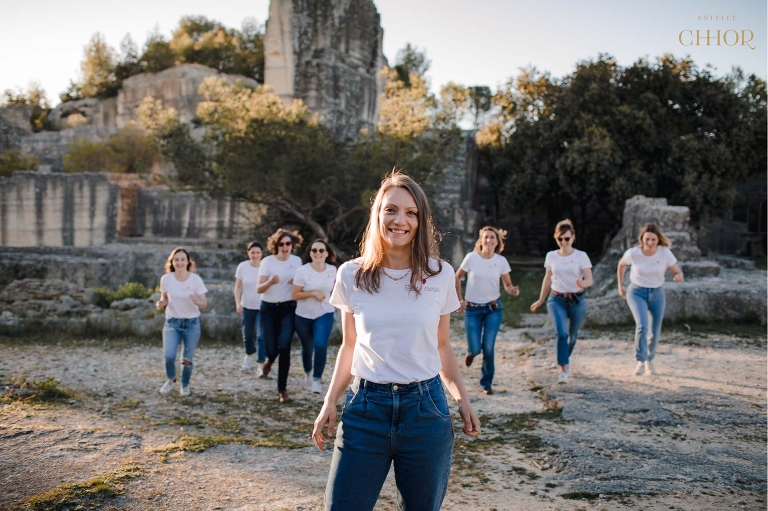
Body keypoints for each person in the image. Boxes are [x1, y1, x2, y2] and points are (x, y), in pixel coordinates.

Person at [312, 171, 481, 511]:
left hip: (426, 410)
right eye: (391, 210)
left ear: (420, 220)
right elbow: (350, 344)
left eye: (411, 212)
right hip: (365, 409)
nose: (400, 220)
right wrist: (330, 401)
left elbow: (443, 344)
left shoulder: (440, 274)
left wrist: (461, 398)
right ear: (378, 215)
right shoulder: (350, 274)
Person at [455, 226, 519, 395]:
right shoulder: (471, 258)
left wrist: (512, 290)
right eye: (486, 237)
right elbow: (457, 277)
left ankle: (486, 383)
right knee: (476, 348)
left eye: (492, 237)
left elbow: (507, 285)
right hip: (472, 310)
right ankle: (471, 353)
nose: (489, 240)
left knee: (488, 348)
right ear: (481, 240)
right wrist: (459, 300)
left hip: (493, 309)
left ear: (497, 242)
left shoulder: (501, 261)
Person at [530, 220, 593, 384]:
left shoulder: (581, 256)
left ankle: (564, 358)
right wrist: (540, 300)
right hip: (556, 299)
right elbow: (547, 278)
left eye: (567, 238)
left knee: (572, 336)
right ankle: (563, 369)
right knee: (562, 334)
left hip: (577, 299)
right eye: (560, 239)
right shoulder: (551, 256)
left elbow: (589, 279)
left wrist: (583, 283)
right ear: (556, 239)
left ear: (573, 237)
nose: (564, 242)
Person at [617, 223, 684, 376]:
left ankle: (649, 360)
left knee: (654, 330)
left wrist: (678, 276)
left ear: (658, 240)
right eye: (647, 239)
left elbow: (676, 270)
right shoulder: (633, 253)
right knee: (642, 325)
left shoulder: (664, 253)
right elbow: (621, 265)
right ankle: (640, 360)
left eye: (653, 240)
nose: (650, 243)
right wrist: (620, 286)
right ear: (642, 239)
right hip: (636, 292)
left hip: (657, 293)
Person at [257, 229, 303, 403]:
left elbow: (302, 285)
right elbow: (258, 288)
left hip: (288, 308)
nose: (285, 247)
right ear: (275, 245)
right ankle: (269, 360)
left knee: (284, 347)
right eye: (281, 244)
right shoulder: (267, 262)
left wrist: (297, 284)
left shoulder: (297, 261)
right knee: (272, 347)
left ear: (292, 245)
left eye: (288, 243)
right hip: (268, 308)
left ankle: (282, 390)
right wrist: (270, 282)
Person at [155, 247, 208, 397]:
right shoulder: (166, 279)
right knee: (169, 356)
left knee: (187, 359)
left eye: (182, 259)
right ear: (172, 262)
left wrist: (197, 301)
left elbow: (204, 304)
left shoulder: (196, 280)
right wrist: (161, 303)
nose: (179, 262)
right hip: (172, 322)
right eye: (176, 259)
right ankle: (171, 379)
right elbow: (164, 297)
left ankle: (185, 385)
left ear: (188, 262)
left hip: (192, 324)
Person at [292, 239, 337, 394]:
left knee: (320, 345)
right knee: (307, 347)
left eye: (321, 250)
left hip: (324, 312)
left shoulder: (333, 270)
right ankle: (308, 373)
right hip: (303, 315)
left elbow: (338, 290)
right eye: (314, 250)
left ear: (326, 254)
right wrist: (312, 293)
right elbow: (294, 294)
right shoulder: (302, 271)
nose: (317, 253)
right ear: (310, 253)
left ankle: (317, 379)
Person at [234, 241, 266, 376]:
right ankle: (249, 354)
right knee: (247, 335)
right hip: (247, 306)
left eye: (258, 252)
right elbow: (237, 287)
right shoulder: (242, 267)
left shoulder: (266, 266)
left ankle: (261, 363)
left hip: (263, 307)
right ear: (248, 253)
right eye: (252, 252)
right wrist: (237, 303)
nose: (255, 255)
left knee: (261, 336)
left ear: (261, 254)